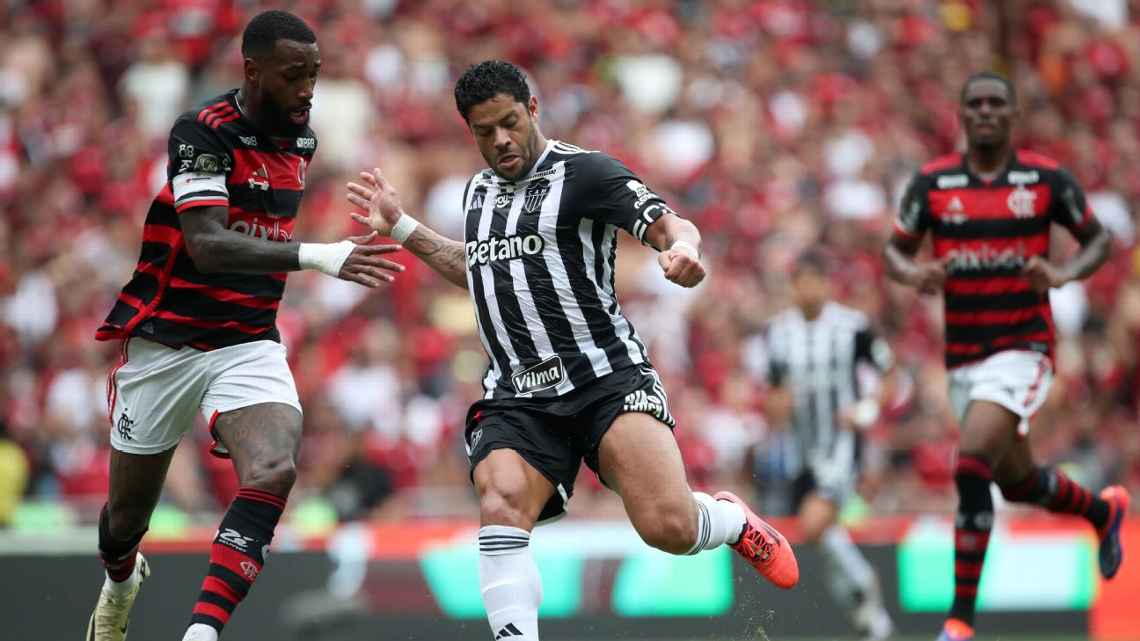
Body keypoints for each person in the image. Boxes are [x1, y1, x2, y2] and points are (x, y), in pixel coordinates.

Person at [346, 60, 799, 641]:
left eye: (510, 122)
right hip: (519, 393)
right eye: (486, 132)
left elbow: (668, 223)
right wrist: (404, 227)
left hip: (605, 378)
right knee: (500, 499)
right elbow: (482, 270)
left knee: (668, 526)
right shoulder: (478, 191)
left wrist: (682, 250)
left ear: (532, 109)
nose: (501, 140)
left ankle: (732, 521)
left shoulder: (585, 173)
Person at [87, 11, 404, 641]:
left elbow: (259, 233)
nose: (309, 89)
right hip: (165, 343)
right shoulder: (201, 132)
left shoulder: (301, 137)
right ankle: (121, 582)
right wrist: (321, 254)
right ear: (253, 71)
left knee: (274, 469)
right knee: (124, 521)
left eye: (314, 74)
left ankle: (202, 633)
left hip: (246, 341)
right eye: (295, 76)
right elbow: (207, 243)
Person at [884, 71, 1130, 641]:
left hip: (1023, 347)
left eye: (997, 103)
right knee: (1015, 482)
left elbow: (1098, 239)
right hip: (964, 358)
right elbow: (895, 253)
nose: (987, 112)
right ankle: (1101, 511)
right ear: (963, 116)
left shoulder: (1045, 180)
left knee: (970, 461)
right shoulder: (932, 184)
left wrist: (1064, 272)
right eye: (976, 104)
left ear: (1013, 114)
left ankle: (959, 623)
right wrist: (917, 273)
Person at [760, 248, 894, 641]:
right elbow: (774, 389)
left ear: (826, 283)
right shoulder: (780, 331)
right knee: (814, 534)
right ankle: (867, 619)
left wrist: (867, 410)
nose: (806, 290)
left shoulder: (853, 327)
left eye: (813, 281)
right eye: (799, 282)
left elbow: (889, 373)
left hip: (840, 445)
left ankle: (866, 584)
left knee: (815, 523)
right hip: (800, 451)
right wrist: (777, 407)